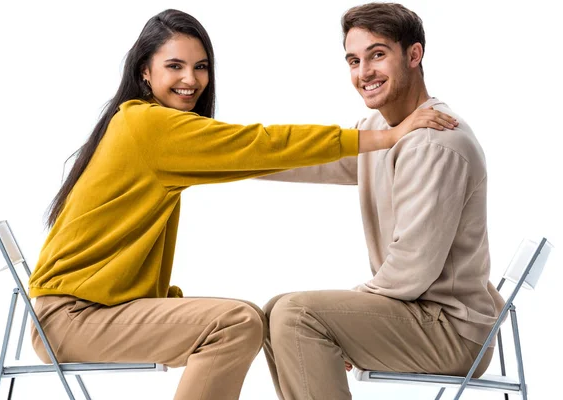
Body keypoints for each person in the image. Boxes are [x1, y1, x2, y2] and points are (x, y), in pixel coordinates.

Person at [27, 8, 457, 400]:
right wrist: (384, 136)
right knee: (235, 323)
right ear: (145, 72)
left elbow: (261, 153)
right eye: (174, 66)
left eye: (200, 67)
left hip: (89, 312)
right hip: (70, 319)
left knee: (248, 316)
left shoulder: (146, 125)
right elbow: (259, 144)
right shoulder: (146, 125)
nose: (190, 80)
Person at [261, 3, 505, 400]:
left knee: (297, 315)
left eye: (377, 55)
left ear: (414, 55)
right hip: (417, 314)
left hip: (451, 331)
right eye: (354, 60)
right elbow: (318, 160)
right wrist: (227, 158)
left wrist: (341, 321)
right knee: (276, 311)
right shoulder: (382, 130)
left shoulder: (435, 142)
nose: (363, 73)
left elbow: (412, 269)